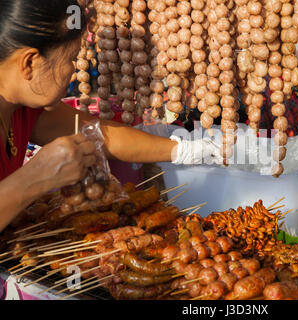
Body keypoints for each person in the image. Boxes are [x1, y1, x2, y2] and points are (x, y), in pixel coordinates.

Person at [0, 0, 222, 232]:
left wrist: (183, 151)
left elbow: (103, 135)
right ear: (29, 63)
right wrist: (36, 177)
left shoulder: (25, 109)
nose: (74, 72)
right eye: (70, 59)